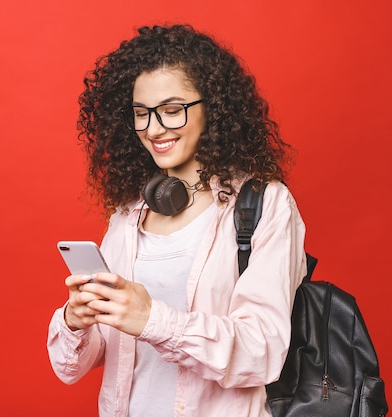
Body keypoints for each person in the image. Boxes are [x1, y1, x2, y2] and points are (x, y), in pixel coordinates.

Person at [47, 24, 307, 417]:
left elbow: (262, 350)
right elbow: (76, 367)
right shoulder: (128, 214)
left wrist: (153, 320)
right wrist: (77, 321)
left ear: (214, 107)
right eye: (141, 113)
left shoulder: (264, 205)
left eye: (172, 110)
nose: (153, 129)